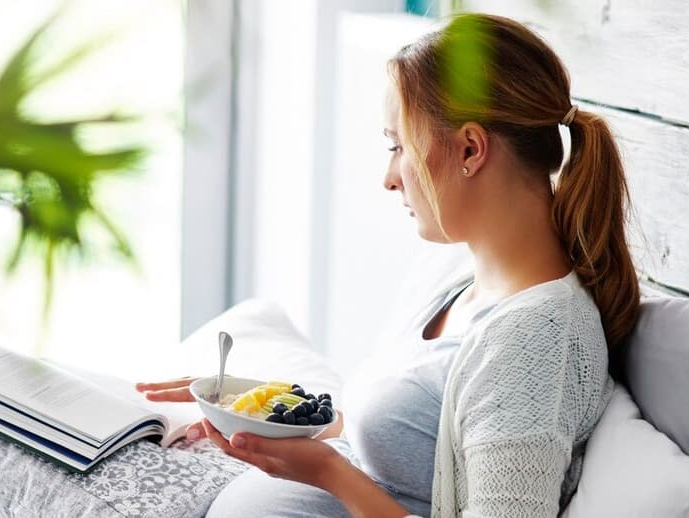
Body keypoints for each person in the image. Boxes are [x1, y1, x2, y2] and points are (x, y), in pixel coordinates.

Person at [135, 12, 639, 518]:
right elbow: (404, 432)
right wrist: (259, 411)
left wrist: (328, 473)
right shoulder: (467, 283)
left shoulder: (536, 338)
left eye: (398, 147)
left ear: (470, 148)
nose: (389, 178)